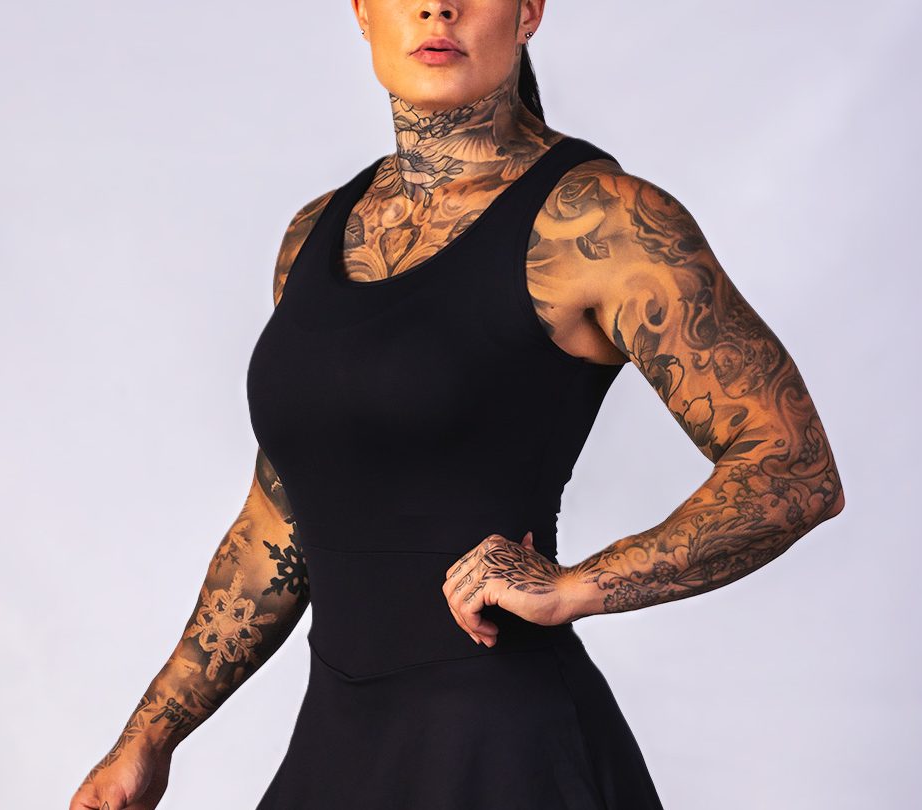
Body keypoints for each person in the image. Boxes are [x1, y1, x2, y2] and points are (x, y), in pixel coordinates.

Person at [70, 1, 846, 808]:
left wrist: (580, 585)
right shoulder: (315, 234)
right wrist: (149, 737)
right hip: (339, 745)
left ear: (528, 11)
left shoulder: (601, 222)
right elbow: (280, 520)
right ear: (362, 11)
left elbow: (795, 469)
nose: (438, 7)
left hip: (505, 754)